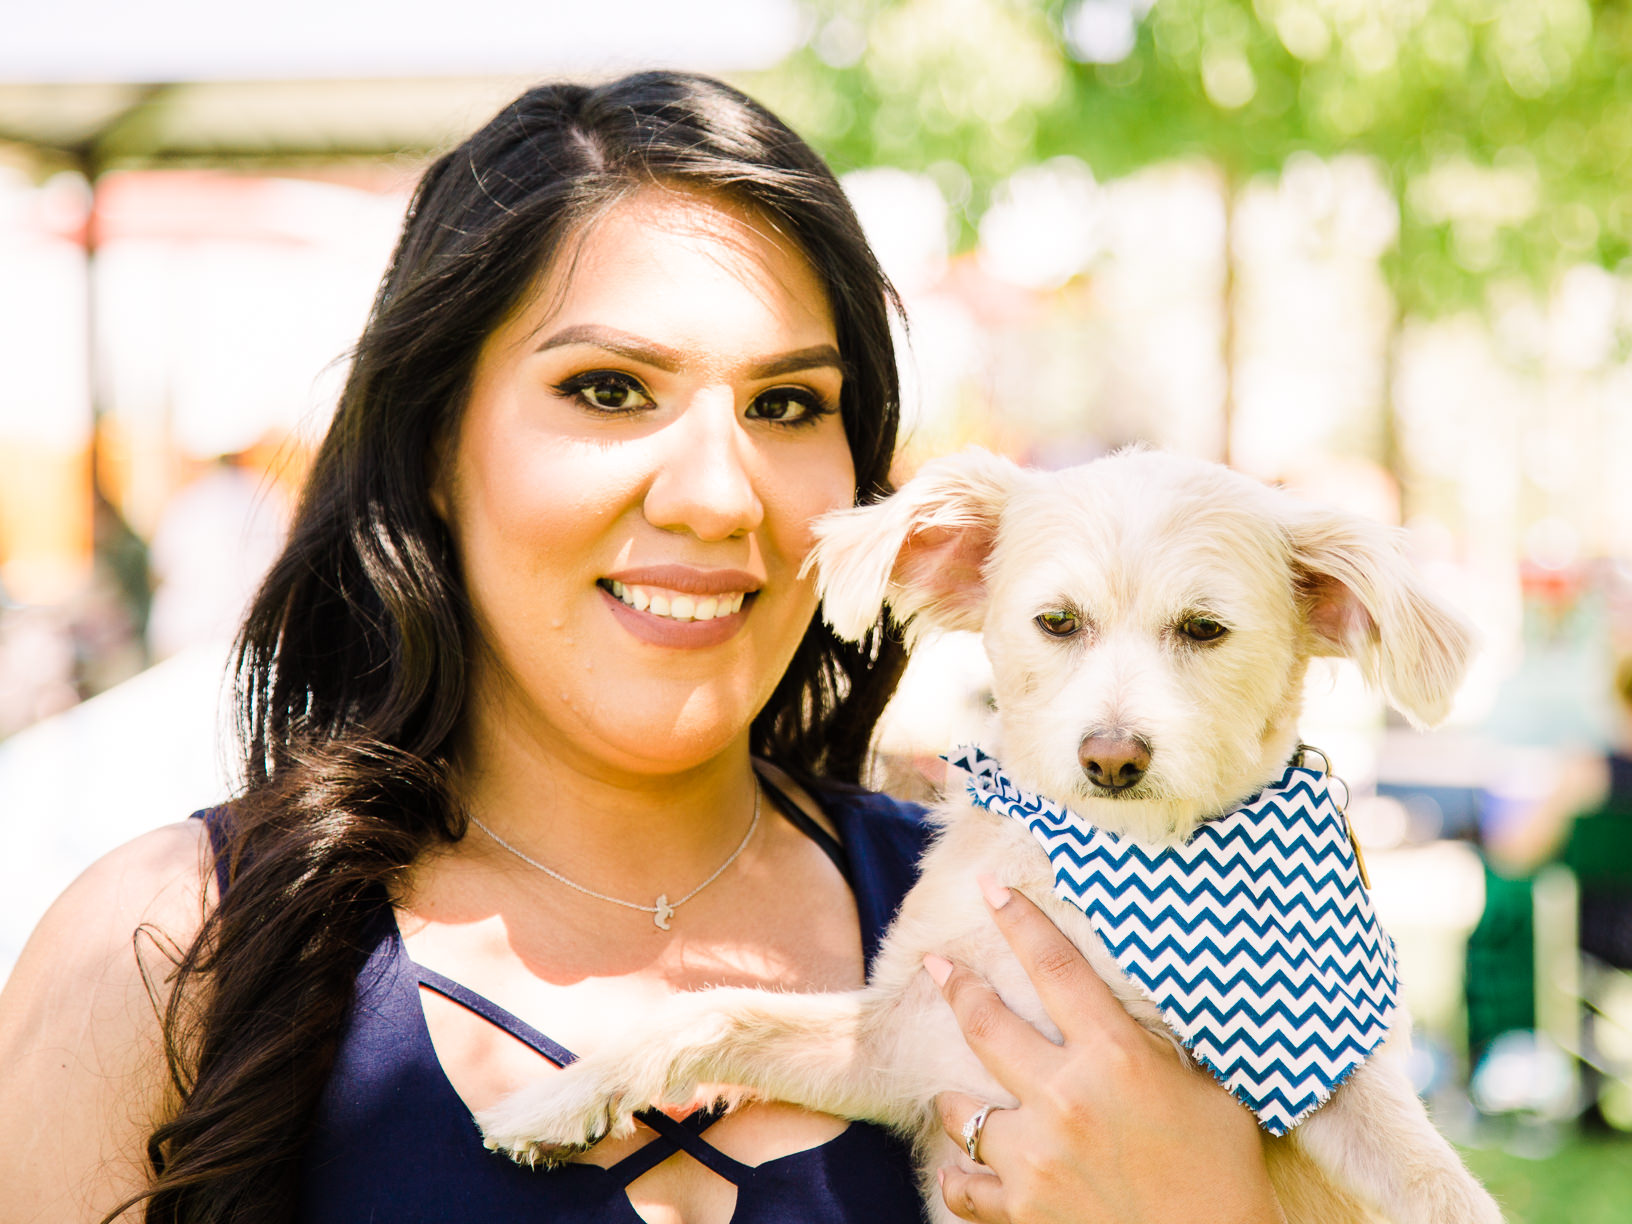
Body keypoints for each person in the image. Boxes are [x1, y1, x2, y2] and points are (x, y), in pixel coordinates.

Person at [0, 73, 1283, 1224]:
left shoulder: (1070, 918)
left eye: (789, 404)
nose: (716, 496)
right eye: (610, 390)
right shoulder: (164, 953)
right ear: (435, 442)